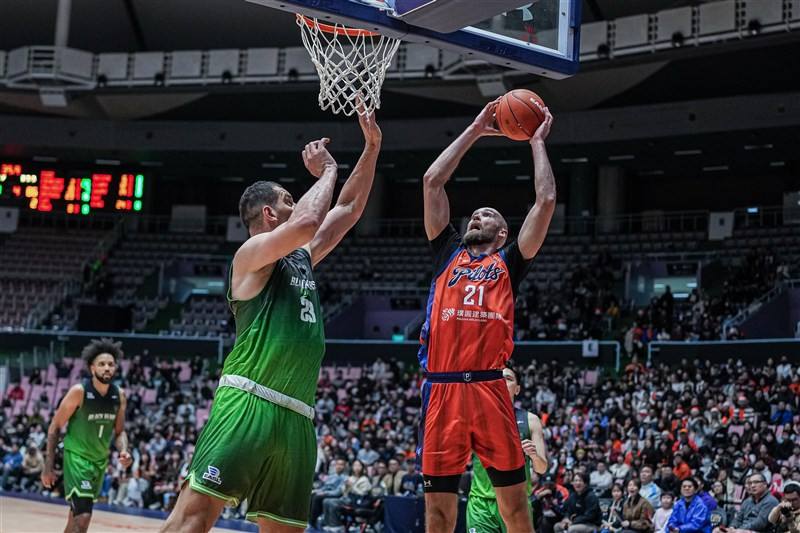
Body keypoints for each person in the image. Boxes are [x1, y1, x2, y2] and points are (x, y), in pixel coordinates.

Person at [161, 111, 382, 533]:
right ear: (269, 213)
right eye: (288, 200)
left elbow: (349, 208)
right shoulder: (250, 256)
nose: (296, 204)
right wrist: (329, 171)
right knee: (192, 521)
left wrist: (371, 148)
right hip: (249, 401)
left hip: (298, 413)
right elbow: (309, 222)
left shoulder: (301, 257)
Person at [419, 98, 556, 533]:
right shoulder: (447, 253)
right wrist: (476, 129)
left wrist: (536, 142)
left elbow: (545, 200)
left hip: (489, 388)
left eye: (488, 215)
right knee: (438, 514)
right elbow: (432, 181)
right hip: (442, 390)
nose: (477, 216)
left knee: (515, 510)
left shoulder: (510, 263)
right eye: (474, 214)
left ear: (502, 233)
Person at [41, 338, 132, 533]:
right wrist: (48, 466)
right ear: (92, 368)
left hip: (99, 461)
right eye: (102, 364)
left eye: (110, 364)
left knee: (74, 520)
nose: (107, 368)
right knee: (83, 517)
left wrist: (124, 450)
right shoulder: (79, 392)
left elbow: (120, 431)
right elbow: (55, 426)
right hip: (77, 459)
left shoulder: (119, 395)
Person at [467, 364, 549, 532]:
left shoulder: (531, 420)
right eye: (498, 379)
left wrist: (534, 455)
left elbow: (541, 468)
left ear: (517, 389)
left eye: (508, 379)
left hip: (517, 502)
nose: (502, 382)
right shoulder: (474, 417)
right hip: (481, 504)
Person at [714, 473, 778, 533]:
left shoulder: (771, 501)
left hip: (759, 531)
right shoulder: (747, 501)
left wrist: (738, 530)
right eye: (750, 483)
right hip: (741, 530)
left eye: (756, 482)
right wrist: (732, 527)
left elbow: (760, 524)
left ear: (765, 484)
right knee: (717, 531)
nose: (752, 485)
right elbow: (738, 519)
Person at [309, 458, 348, 529]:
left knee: (317, 498)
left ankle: (312, 521)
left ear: (345, 467)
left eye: (341, 465)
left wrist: (325, 493)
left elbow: (338, 492)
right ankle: (309, 519)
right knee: (312, 495)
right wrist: (317, 491)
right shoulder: (331, 476)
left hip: (334, 495)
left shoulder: (345, 478)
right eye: (337, 464)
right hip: (325, 493)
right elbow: (324, 487)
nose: (339, 466)